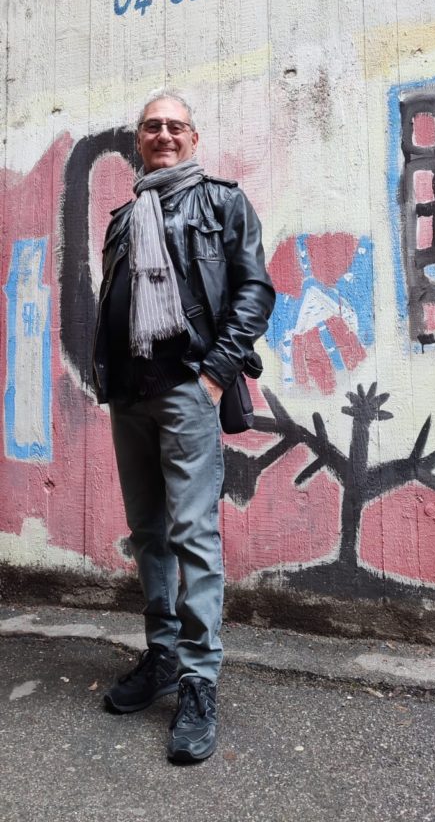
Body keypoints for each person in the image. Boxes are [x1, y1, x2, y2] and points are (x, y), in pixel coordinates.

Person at [92, 89, 275, 763]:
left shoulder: (223, 203)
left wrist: (215, 375)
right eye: (152, 127)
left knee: (193, 535)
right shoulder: (122, 218)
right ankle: (163, 655)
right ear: (138, 140)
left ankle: (199, 681)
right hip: (130, 395)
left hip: (187, 391)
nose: (163, 135)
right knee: (148, 533)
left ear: (193, 138)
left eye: (175, 126)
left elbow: (254, 290)